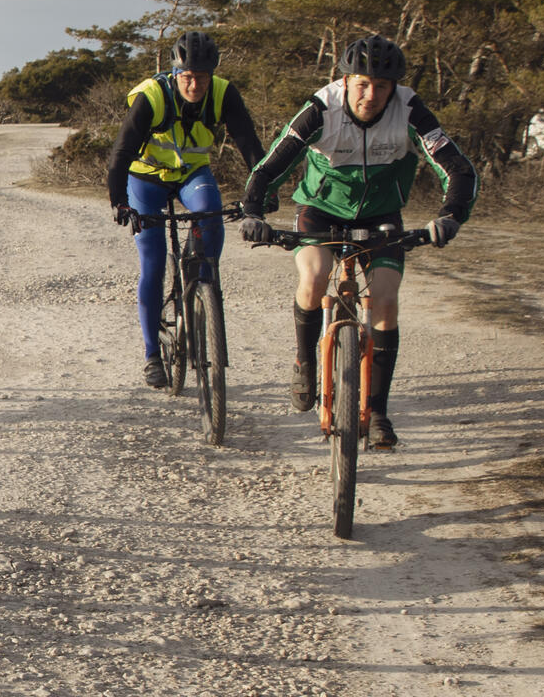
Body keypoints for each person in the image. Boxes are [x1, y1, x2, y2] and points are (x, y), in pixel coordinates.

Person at [239, 34, 474, 448]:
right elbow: (270, 165)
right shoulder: (320, 109)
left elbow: (458, 169)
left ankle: (379, 411)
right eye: (362, 83)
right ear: (344, 80)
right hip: (320, 209)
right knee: (314, 277)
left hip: (382, 214)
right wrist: (254, 212)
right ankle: (305, 358)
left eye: (382, 86)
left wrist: (450, 217)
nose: (371, 94)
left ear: (394, 88)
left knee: (384, 298)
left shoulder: (410, 109)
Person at [108, 31, 263, 389]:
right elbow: (121, 153)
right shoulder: (152, 97)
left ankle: (199, 287)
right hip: (145, 178)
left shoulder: (224, 94)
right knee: (153, 259)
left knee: (210, 216)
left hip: (193, 175)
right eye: (187, 77)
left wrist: (259, 194)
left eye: (202, 78)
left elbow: (251, 147)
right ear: (175, 73)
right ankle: (151, 355)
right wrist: (119, 202)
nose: (194, 85)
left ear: (212, 75)